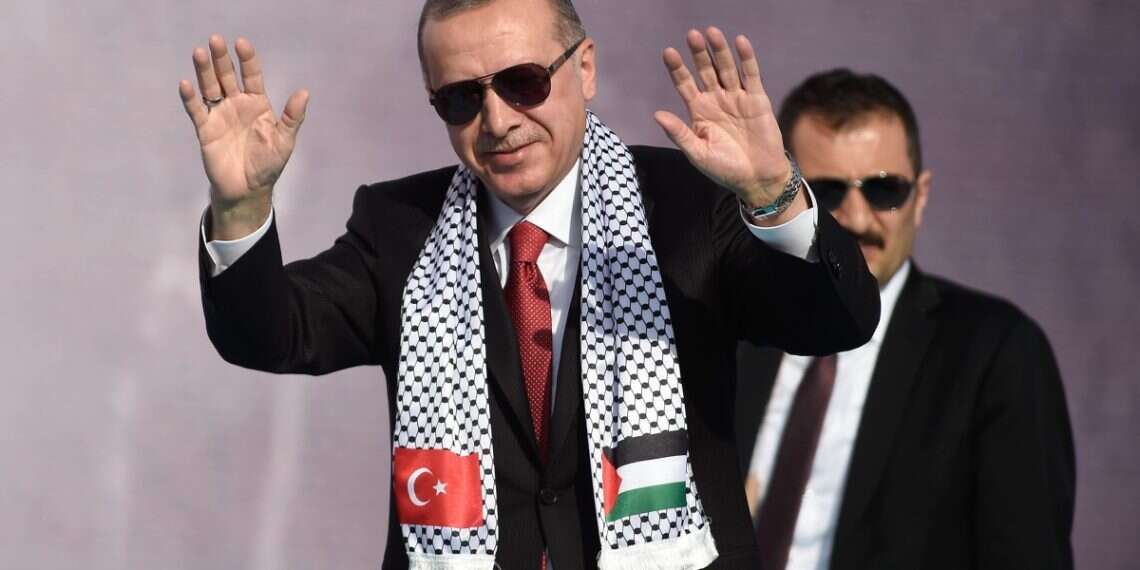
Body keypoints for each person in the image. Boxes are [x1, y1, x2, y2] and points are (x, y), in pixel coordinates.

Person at [178, 1, 881, 567]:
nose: (499, 120)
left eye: (523, 81)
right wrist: (240, 208)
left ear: (586, 68)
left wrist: (772, 193)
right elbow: (270, 334)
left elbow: (833, 322)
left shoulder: (690, 206)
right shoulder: (400, 227)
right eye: (460, 97)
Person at [735, 68, 1075, 570]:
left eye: (884, 190)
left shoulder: (996, 352)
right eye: (827, 192)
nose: (856, 217)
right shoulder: (733, 330)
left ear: (922, 195)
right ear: (791, 195)